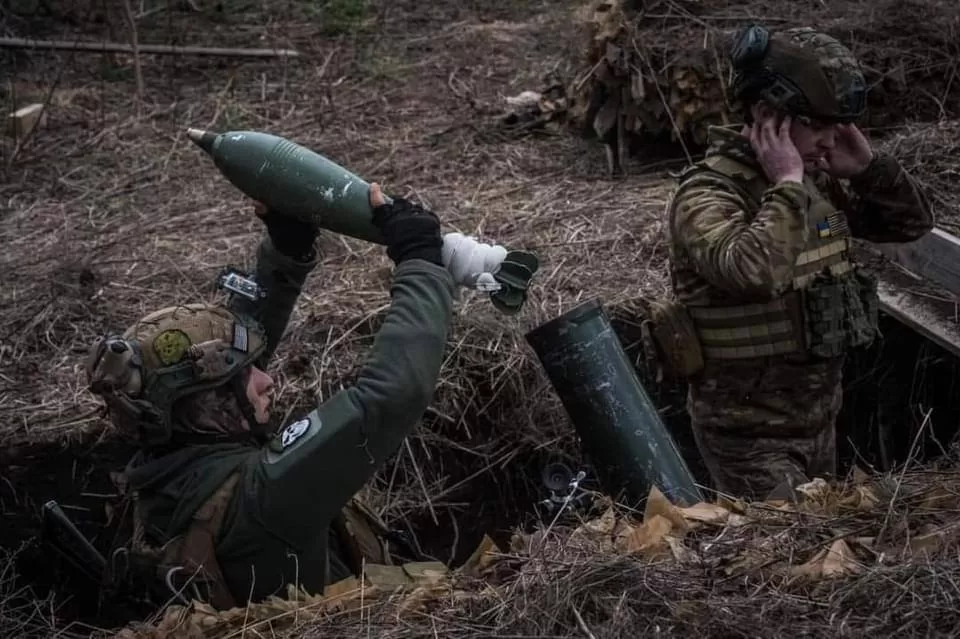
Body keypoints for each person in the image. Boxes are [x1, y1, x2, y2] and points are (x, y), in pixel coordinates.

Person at [84, 183, 455, 609]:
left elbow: (224, 362)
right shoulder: (264, 495)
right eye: (247, 377)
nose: (268, 381)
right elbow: (393, 393)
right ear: (204, 408)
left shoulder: (161, 468)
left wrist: (286, 251)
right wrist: (421, 261)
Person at [664, 25, 934, 501]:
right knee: (784, 562)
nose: (832, 139)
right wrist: (786, 183)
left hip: (821, 419)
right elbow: (752, 272)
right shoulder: (707, 193)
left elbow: (908, 225)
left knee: (823, 553)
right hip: (748, 438)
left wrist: (870, 170)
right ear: (769, 115)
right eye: (819, 123)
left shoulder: (816, 183)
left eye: (838, 125)